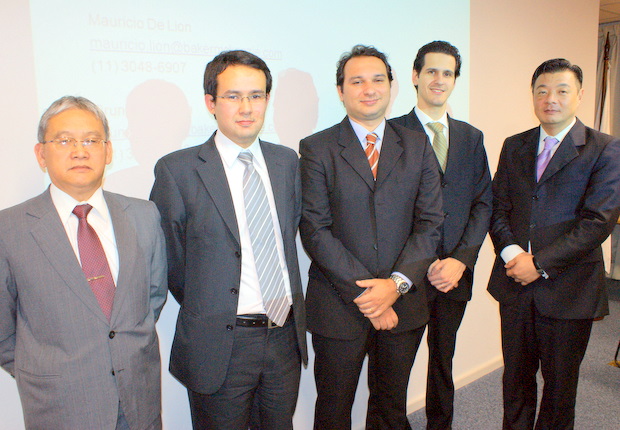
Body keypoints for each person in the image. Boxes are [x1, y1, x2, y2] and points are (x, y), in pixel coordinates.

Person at [150, 50, 307, 430]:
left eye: (256, 96)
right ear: (211, 102)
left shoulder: (287, 162)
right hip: (221, 343)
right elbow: (172, 262)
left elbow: (288, 236)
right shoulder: (178, 170)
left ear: (267, 100)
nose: (246, 107)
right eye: (233, 96)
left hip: (283, 336)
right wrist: (214, 305)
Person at [0, 96, 167, 429]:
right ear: (41, 154)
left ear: (108, 151)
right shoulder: (10, 228)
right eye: (64, 141)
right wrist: (48, 372)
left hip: (139, 401)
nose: (80, 151)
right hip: (59, 407)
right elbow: (3, 331)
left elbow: (152, 297)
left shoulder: (143, 216)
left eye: (91, 140)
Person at [299, 44, 444, 429]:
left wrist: (394, 286)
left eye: (378, 80)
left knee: (390, 409)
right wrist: (372, 297)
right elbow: (315, 230)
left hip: (404, 304)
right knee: (333, 410)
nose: (369, 89)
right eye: (357, 81)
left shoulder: (416, 144)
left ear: (392, 87)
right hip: (339, 305)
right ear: (340, 90)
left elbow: (430, 222)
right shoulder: (317, 148)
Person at [488, 58, 620, 429]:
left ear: (579, 95)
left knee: (560, 389)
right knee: (515, 380)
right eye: (542, 91)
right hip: (515, 283)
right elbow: (498, 207)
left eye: (562, 90)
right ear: (532, 95)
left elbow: (597, 222)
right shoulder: (514, 145)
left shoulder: (604, 148)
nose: (551, 99)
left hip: (569, 288)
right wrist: (513, 254)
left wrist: (539, 263)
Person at [390, 40, 492, 430]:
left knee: (443, 362)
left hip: (454, 275)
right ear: (415, 76)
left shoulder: (470, 137)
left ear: (455, 80)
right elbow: (387, 210)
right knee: (394, 369)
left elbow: (483, 203)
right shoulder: (392, 132)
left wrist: (460, 260)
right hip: (407, 275)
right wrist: (425, 261)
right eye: (431, 71)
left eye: (447, 73)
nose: (439, 79)